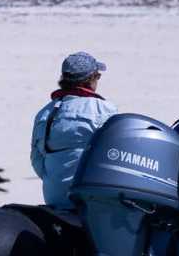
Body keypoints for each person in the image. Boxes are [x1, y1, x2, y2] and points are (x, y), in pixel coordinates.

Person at [29, 52, 117, 210]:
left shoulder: (44, 113)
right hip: (93, 201)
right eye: (97, 76)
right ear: (89, 80)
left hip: (55, 200)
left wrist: (57, 179)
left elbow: (37, 159)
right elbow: (115, 156)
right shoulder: (105, 110)